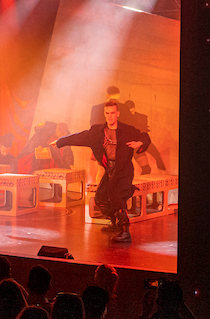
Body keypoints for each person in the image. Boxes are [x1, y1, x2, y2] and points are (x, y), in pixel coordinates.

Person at [55, 100, 150, 243]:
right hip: (110, 169)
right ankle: (114, 223)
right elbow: (79, 137)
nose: (110, 116)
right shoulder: (97, 132)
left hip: (123, 170)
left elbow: (144, 136)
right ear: (105, 114)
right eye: (107, 113)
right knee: (101, 198)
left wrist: (140, 143)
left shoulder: (127, 130)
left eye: (113, 113)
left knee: (117, 197)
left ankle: (125, 231)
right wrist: (60, 142)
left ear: (117, 114)